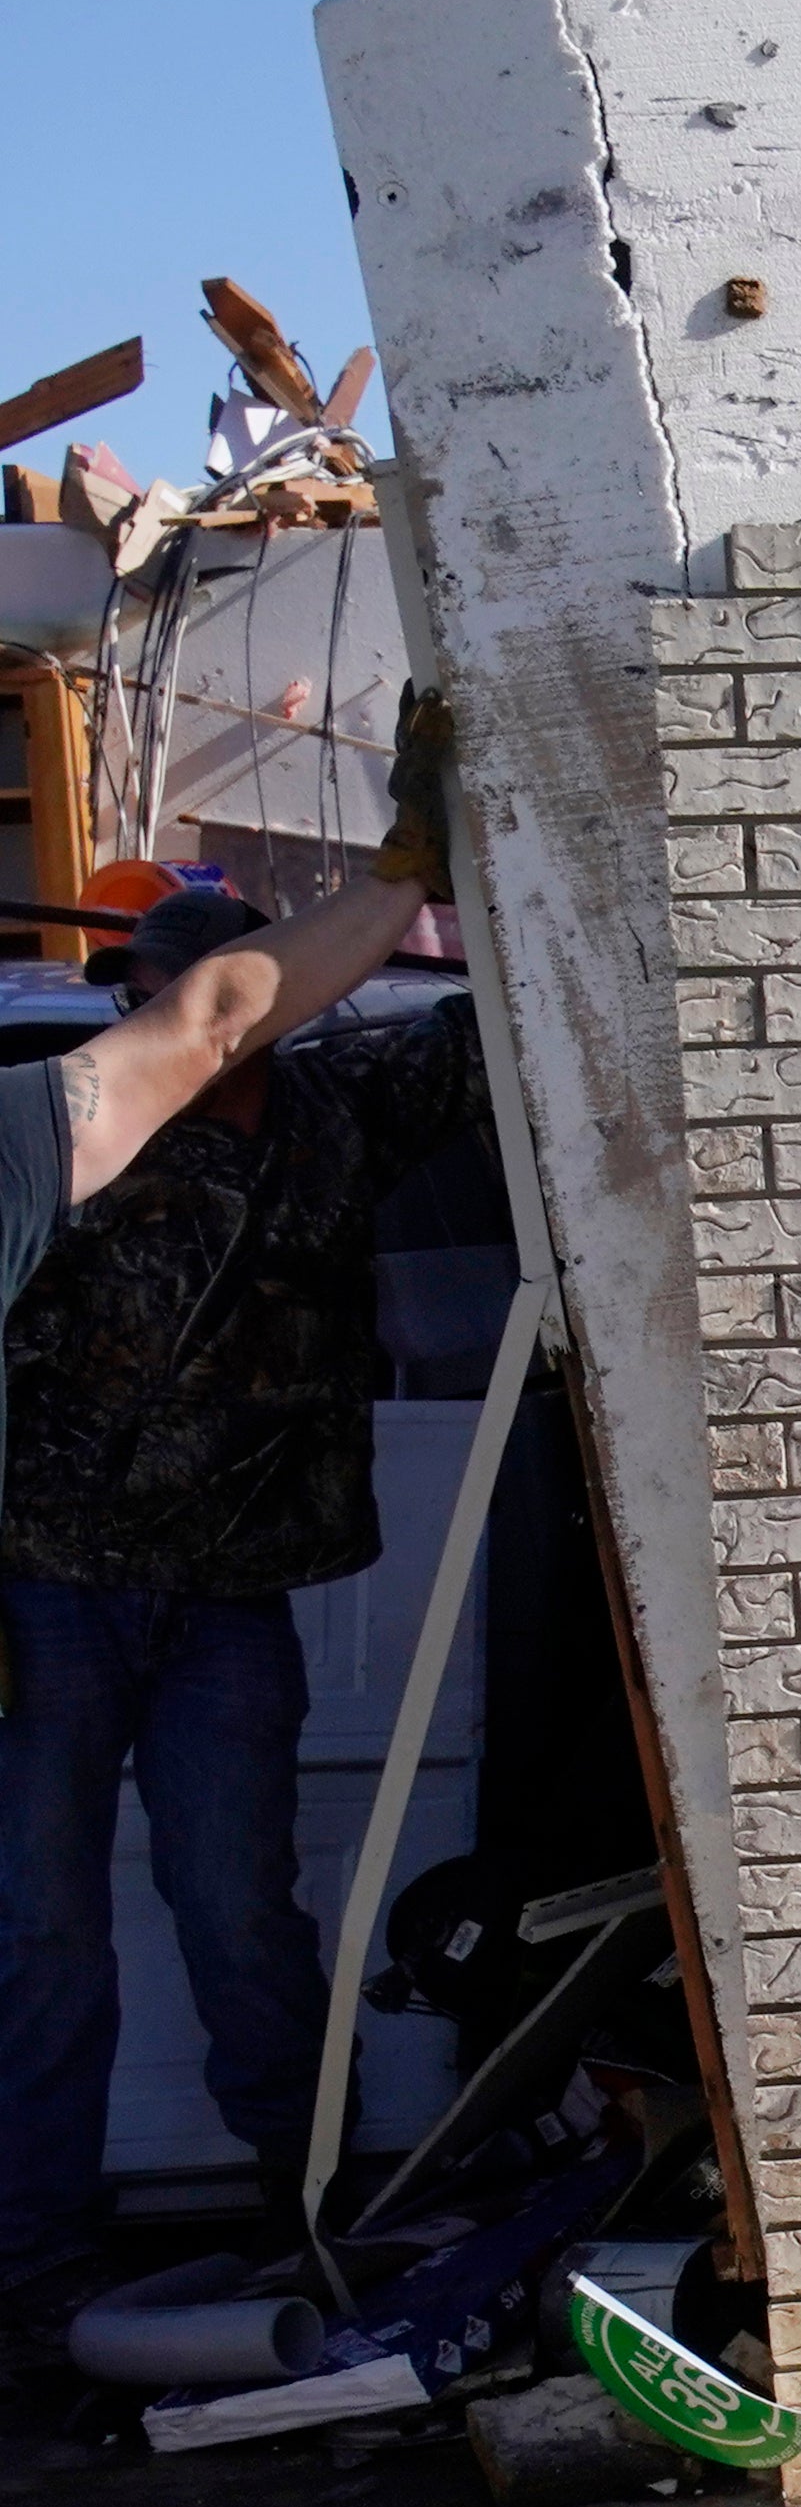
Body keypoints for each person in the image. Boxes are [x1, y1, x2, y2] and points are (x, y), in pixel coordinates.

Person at [0, 829, 446, 2354]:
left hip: (229, 1596)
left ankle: (310, 2208)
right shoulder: (79, 1135)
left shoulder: (343, 1109)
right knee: (44, 1931)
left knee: (243, 1914)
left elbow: (496, 1028)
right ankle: (36, 2256)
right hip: (47, 1586)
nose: (162, 1014)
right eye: (144, 990)